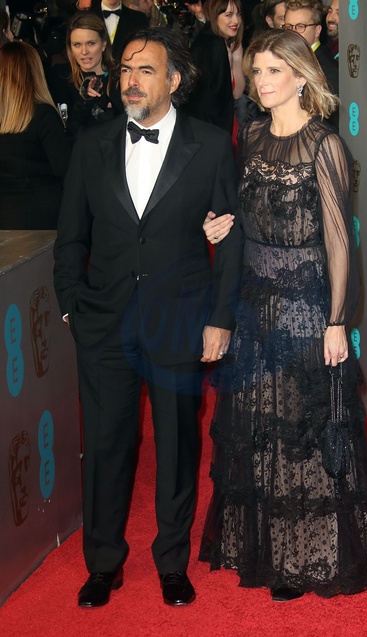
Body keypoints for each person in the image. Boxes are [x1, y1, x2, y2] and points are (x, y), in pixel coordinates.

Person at [199, 28, 367, 601]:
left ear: (302, 76)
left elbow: (338, 242)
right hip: (254, 302)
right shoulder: (253, 135)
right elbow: (244, 214)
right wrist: (219, 225)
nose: (261, 82)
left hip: (305, 304)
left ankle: (308, 555)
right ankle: (267, 549)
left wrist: (337, 321)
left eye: (273, 71)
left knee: (303, 427)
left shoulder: (324, 144)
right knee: (258, 424)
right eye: (256, 71)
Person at [53, 26, 243, 609]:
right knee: (105, 446)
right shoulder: (92, 143)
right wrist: (71, 307)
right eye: (126, 70)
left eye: (146, 71)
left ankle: (172, 562)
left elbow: (231, 239)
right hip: (104, 322)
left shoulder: (210, 145)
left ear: (174, 80)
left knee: (178, 445)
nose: (131, 81)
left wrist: (220, 318)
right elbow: (70, 236)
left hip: (180, 320)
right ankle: (103, 563)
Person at [0, 41, 72, 229]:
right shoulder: (43, 115)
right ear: (34, 71)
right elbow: (65, 168)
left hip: (6, 216)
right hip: (43, 215)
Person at [47, 12, 123, 140]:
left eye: (91, 43)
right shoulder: (61, 76)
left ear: (103, 45)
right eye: (77, 45)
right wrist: (85, 102)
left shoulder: (119, 77)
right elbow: (65, 129)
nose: (84, 51)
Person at [182, 0, 245, 139]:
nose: (236, 20)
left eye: (238, 14)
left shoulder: (220, 42)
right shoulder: (214, 45)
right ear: (214, 16)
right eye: (229, 15)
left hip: (217, 128)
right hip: (213, 131)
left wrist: (236, 59)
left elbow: (236, 93)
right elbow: (209, 104)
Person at [284, 0, 338, 128]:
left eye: (300, 26)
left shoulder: (326, 68)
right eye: (289, 27)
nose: (293, 32)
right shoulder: (288, 60)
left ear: (317, 31)